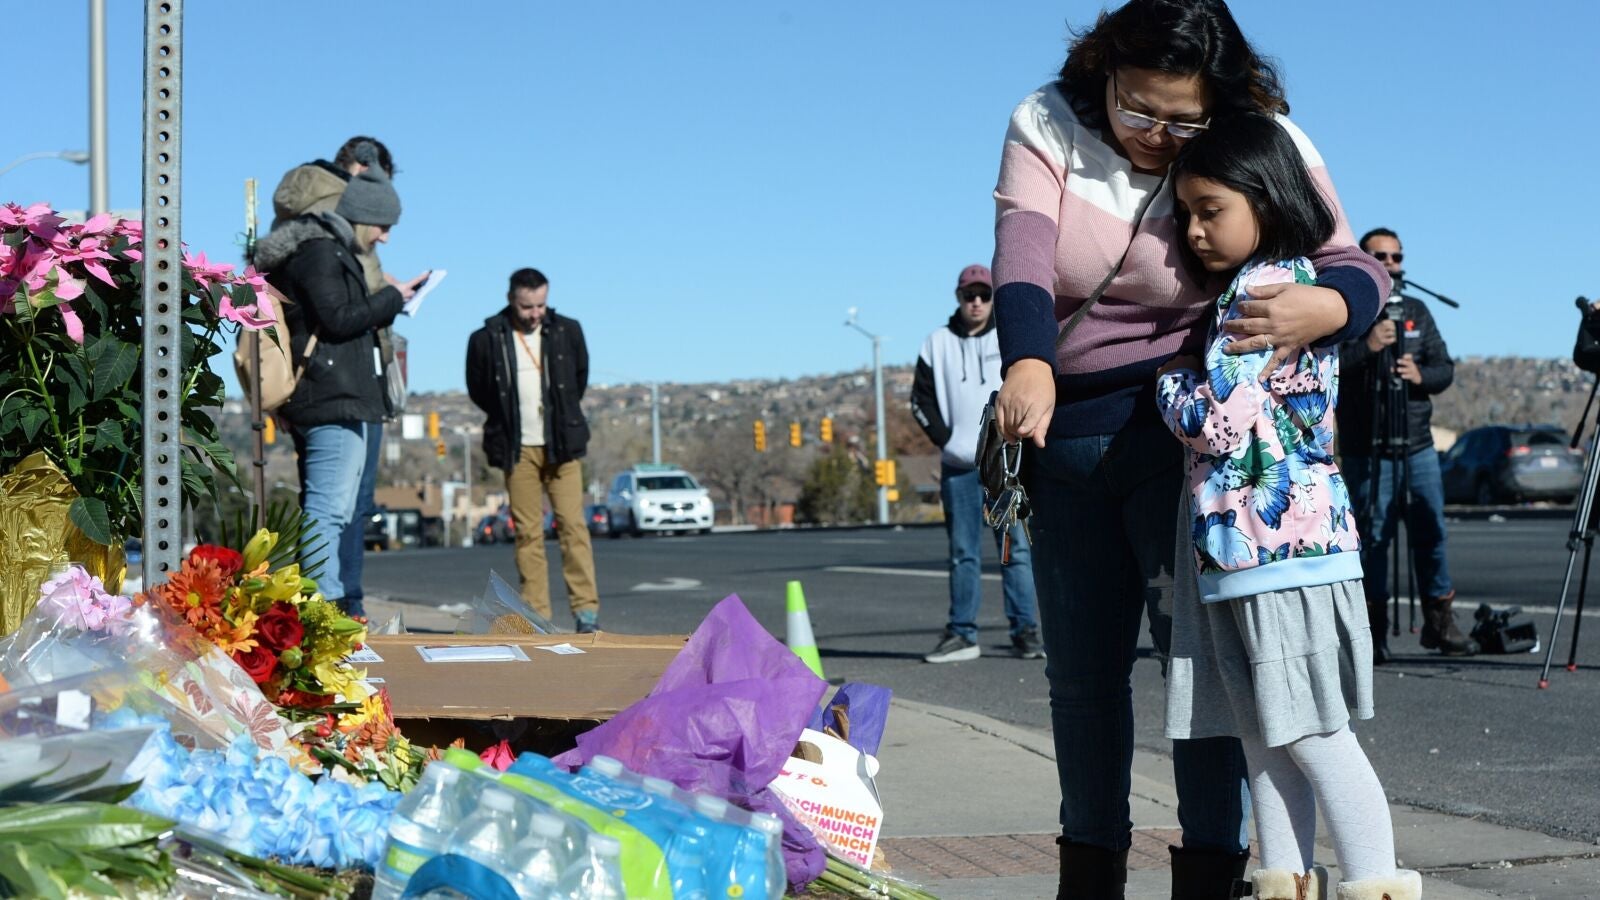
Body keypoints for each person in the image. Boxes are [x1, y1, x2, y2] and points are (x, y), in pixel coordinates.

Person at [986, 2, 1391, 896]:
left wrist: (1331, 306)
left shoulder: (1258, 136)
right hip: (1071, 430)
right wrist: (1028, 361)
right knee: (1082, 681)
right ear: (1105, 73)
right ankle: (1089, 872)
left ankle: (1214, 874)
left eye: (1183, 121)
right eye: (1138, 109)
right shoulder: (1046, 120)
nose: (1157, 136)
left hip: (1188, 444)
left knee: (1202, 676)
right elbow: (1023, 252)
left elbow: (1347, 258)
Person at [1157, 114, 1418, 900]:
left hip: (1278, 551)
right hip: (1260, 552)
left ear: (1266, 201)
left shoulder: (1265, 292)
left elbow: (1215, 422)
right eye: (1186, 213)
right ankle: (1288, 882)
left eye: (1211, 210)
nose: (1194, 230)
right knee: (1268, 738)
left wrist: (1166, 378)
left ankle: (1373, 882)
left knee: (1309, 732)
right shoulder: (1272, 286)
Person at [254, 143, 428, 615]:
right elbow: (337, 318)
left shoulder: (325, 250)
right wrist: (391, 298)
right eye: (383, 227)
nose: (385, 238)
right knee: (327, 510)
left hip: (341, 393)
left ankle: (326, 602)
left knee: (338, 508)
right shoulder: (320, 253)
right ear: (363, 217)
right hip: (329, 396)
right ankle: (323, 605)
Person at [1337, 227, 1475, 661]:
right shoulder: (1345, 310)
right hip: (1367, 447)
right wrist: (1367, 346)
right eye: (1380, 256)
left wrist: (1420, 375)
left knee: (1431, 531)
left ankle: (1439, 623)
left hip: (1416, 445)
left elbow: (1444, 369)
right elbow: (1328, 370)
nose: (1391, 264)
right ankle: (1372, 632)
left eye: (1397, 257)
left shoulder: (1417, 311)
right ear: (1362, 259)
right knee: (1373, 537)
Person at [911, 263, 1044, 663]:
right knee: (962, 553)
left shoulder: (1009, 338)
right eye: (970, 295)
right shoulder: (936, 343)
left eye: (985, 295)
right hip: (958, 466)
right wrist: (947, 439)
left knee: (1014, 551)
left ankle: (1025, 632)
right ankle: (962, 633)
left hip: (1005, 464)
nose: (977, 302)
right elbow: (919, 400)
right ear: (959, 298)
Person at [465, 269, 600, 632]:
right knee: (528, 533)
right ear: (511, 299)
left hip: (562, 446)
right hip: (517, 448)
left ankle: (586, 613)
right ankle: (537, 615)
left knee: (573, 526)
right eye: (527, 306)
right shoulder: (486, 338)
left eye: (541, 304)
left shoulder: (568, 331)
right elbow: (479, 389)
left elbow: (579, 379)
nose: (535, 313)